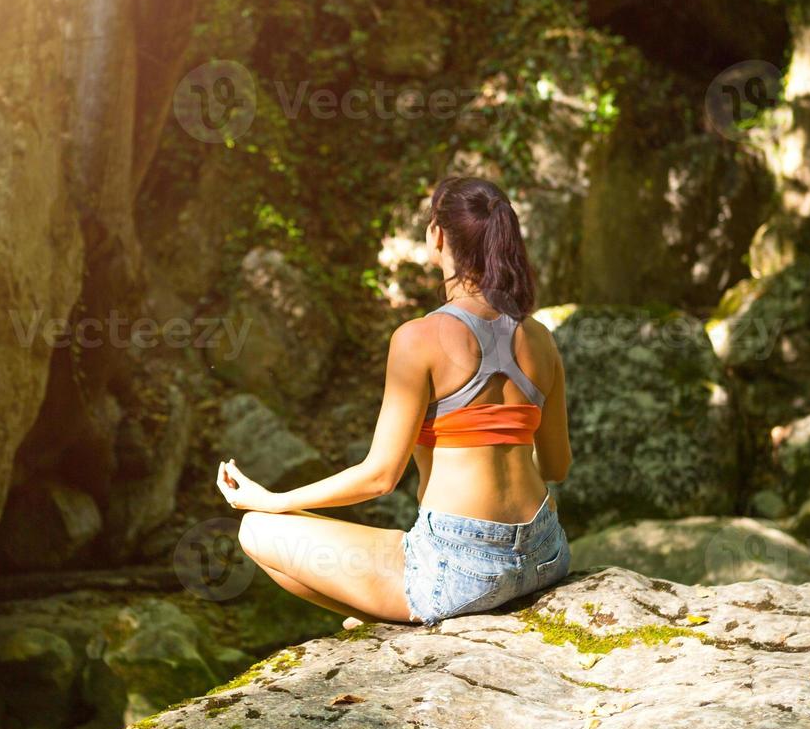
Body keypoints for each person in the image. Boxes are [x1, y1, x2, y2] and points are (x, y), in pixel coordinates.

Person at [215, 176, 572, 626]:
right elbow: (557, 467)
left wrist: (272, 500)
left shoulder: (417, 339)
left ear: (437, 236)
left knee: (258, 530)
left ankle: (395, 616)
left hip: (458, 570)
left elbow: (379, 478)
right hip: (544, 554)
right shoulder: (539, 337)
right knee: (406, 505)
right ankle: (389, 611)